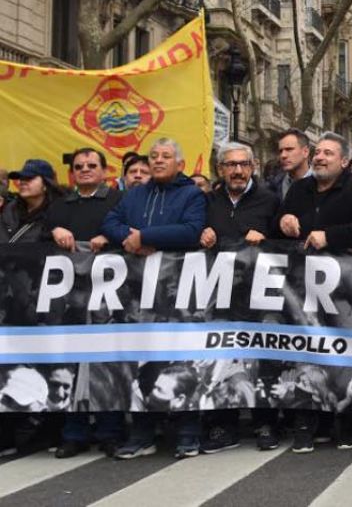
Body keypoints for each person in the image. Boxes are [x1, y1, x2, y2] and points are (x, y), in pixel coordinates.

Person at [278, 131, 352, 453]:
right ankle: (308, 421)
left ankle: (348, 421)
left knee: (345, 354)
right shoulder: (299, 190)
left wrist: (331, 237)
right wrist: (283, 221)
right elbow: (277, 226)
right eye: (318, 153)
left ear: (343, 160)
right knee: (305, 352)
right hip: (302, 290)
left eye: (328, 154)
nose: (320, 158)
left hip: (344, 291)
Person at [102, 138, 207, 459]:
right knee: (142, 360)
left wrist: (145, 236)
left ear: (180, 164)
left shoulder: (192, 195)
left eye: (166, 156)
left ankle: (188, 433)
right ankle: (142, 433)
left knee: (180, 361)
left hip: (179, 296)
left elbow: (192, 230)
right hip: (138, 296)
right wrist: (129, 240)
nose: (158, 161)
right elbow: (110, 222)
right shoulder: (135, 194)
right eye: (153, 156)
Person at [198, 142, 281, 453]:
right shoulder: (207, 201)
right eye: (230, 165)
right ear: (220, 170)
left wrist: (268, 236)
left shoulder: (270, 200)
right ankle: (223, 425)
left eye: (243, 164)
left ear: (253, 166)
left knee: (261, 359)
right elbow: (193, 230)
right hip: (218, 296)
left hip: (258, 298)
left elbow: (287, 241)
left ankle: (266, 422)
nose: (237, 170)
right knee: (221, 361)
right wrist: (201, 232)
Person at [45, 148, 125, 458]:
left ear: (105, 171)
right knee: (71, 364)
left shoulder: (117, 202)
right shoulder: (60, 205)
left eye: (92, 165)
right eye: (79, 166)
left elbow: (129, 232)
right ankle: (73, 432)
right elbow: (40, 238)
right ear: (72, 173)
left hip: (109, 296)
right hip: (70, 299)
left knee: (106, 364)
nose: (85, 170)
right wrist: (54, 229)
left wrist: (109, 236)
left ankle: (110, 431)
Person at [1, 159, 61, 243]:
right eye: (21, 178)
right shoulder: (9, 209)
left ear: (46, 184)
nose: (22, 182)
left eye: (29, 178)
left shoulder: (61, 213)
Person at [268, 129, 312, 202]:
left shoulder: (325, 183)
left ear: (305, 152)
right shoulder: (272, 187)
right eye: (280, 151)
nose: (283, 155)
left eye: (289, 149)